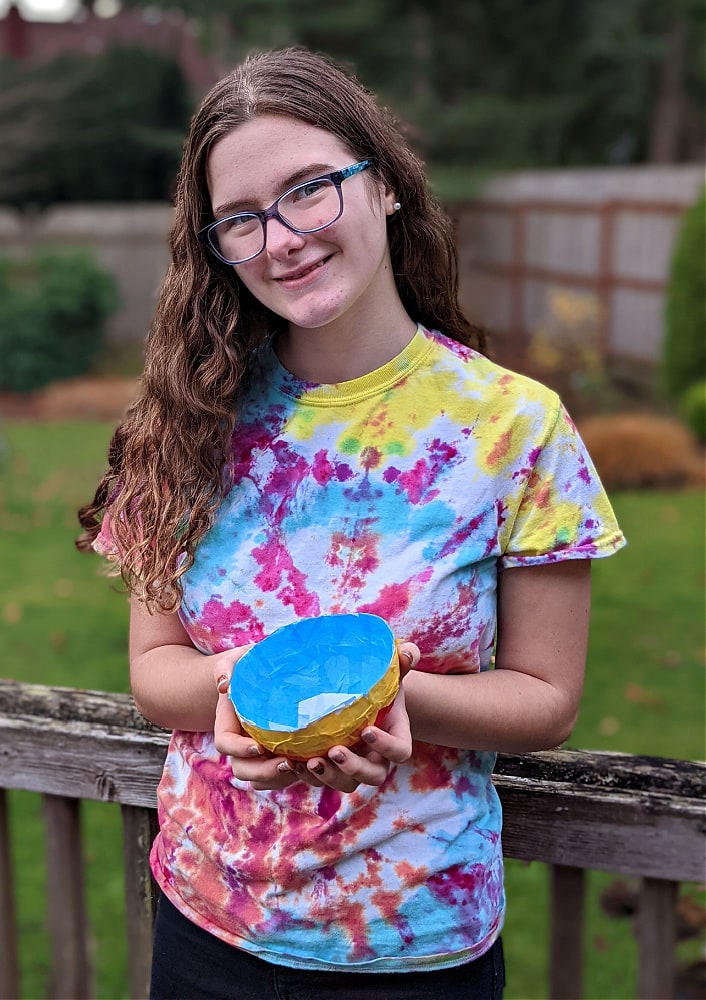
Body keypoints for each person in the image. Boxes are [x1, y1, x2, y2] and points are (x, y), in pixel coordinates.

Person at [78, 47, 626, 1000]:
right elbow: (152, 669)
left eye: (310, 190)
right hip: (205, 922)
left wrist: (392, 705)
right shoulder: (181, 421)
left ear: (387, 187)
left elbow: (548, 697)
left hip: (418, 945)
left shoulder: (513, 428)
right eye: (241, 220)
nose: (280, 238)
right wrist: (242, 698)